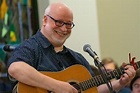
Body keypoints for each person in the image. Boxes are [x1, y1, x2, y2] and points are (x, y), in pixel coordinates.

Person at [7, 2, 136, 93]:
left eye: (68, 24)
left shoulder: (76, 59)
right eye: (58, 22)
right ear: (45, 20)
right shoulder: (31, 47)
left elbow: (92, 90)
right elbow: (16, 68)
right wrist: (57, 86)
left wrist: (120, 84)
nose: (64, 28)